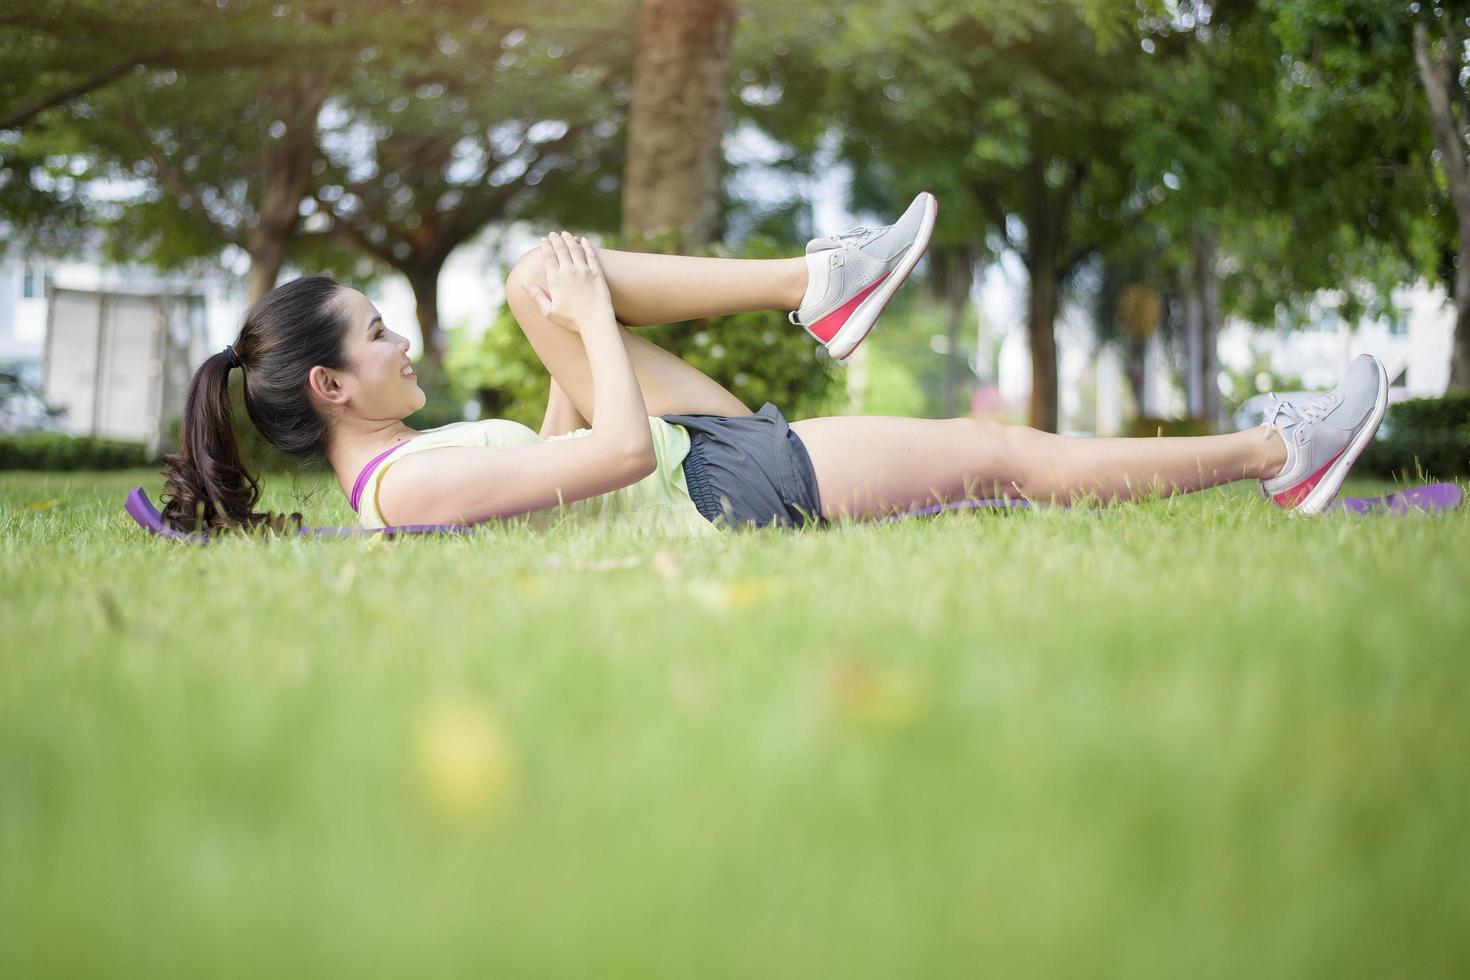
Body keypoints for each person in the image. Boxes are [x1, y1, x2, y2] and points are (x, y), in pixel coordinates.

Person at [159, 192, 1388, 535]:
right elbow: (618, 455)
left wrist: (570, 317)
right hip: (721, 491)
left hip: (694, 464)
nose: (403, 338)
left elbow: (550, 472)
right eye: (378, 334)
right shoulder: (404, 489)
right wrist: (591, 331)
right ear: (329, 387)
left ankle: (821, 283)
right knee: (1001, 454)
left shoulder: (405, 474)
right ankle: (1285, 453)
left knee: (542, 270)